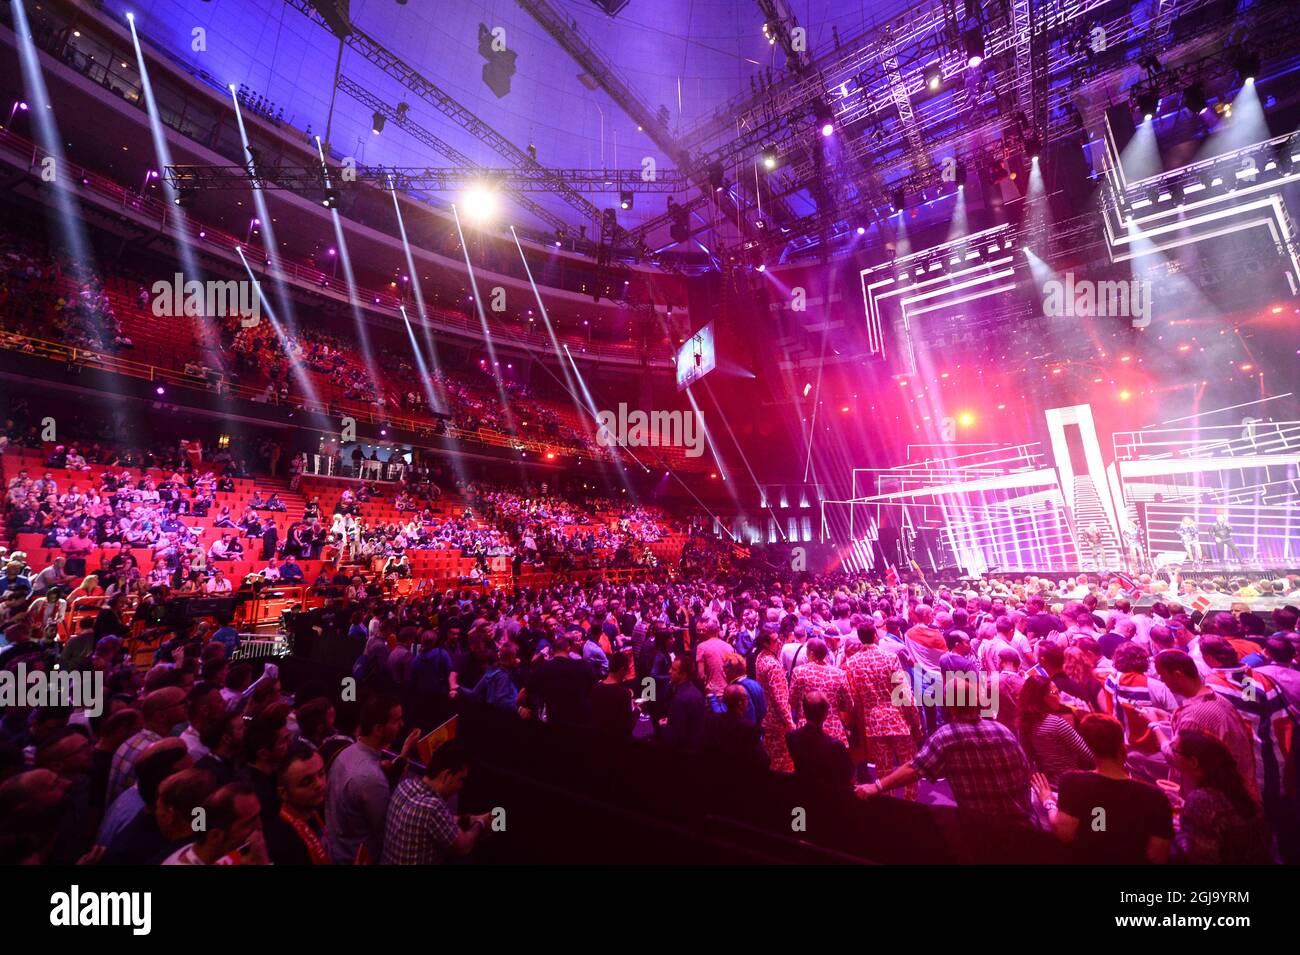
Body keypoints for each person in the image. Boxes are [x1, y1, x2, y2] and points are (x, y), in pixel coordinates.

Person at [858, 673, 1034, 824]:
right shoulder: (1004, 731)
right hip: (1023, 824)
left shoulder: (946, 737)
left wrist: (877, 786)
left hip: (981, 829)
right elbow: (1026, 772)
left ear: (949, 706)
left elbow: (914, 768)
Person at [1033, 714, 1173, 864]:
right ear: (1122, 748)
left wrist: (1048, 801)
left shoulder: (1074, 783)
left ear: (1089, 747)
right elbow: (1157, 856)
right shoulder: (1156, 797)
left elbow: (1065, 834)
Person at [325, 693, 417, 865]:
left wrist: (403, 756)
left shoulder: (347, 751)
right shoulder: (372, 779)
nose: (402, 724)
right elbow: (387, 832)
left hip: (337, 850)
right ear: (378, 729)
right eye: (396, 720)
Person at [1169, 729, 1274, 864]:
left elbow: (1201, 857)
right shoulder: (1238, 789)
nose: (1171, 751)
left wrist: (1177, 831)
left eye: (1175, 750)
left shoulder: (1202, 800)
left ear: (1193, 762)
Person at [382, 740, 491, 864]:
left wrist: (470, 819)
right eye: (460, 779)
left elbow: (443, 822)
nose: (460, 786)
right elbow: (464, 846)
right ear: (446, 775)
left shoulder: (405, 786)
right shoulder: (432, 807)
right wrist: (480, 823)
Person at [845, 622, 922, 799]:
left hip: (873, 723)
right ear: (875, 636)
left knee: (884, 773)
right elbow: (904, 694)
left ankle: (888, 810)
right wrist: (917, 725)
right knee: (909, 768)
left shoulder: (851, 663)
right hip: (898, 720)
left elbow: (854, 700)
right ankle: (910, 806)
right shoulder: (890, 658)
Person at [1017, 674, 1095, 787]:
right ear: (1042, 697)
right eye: (1054, 693)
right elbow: (1089, 755)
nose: (1060, 697)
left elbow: (1028, 758)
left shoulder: (1025, 724)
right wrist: (1088, 722)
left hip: (1048, 785)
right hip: (1071, 783)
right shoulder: (1057, 724)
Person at [264, 742, 331, 865]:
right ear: (283, 793)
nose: (319, 784)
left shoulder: (317, 809)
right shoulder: (280, 842)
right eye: (306, 781)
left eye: (321, 774)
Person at [786, 690, 854, 793]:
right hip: (829, 797)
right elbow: (849, 774)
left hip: (803, 792)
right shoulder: (835, 746)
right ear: (825, 714)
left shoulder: (791, 737)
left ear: (804, 711)